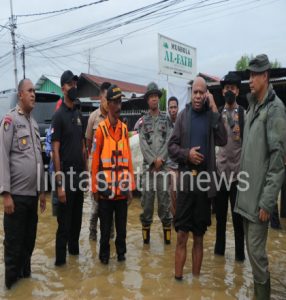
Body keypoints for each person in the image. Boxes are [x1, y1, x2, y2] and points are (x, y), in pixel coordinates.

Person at [235, 54, 286, 299]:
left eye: (254, 75)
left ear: (265, 76)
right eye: (249, 75)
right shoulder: (253, 106)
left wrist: (268, 201)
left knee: (257, 256)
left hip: (259, 201)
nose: (250, 80)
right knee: (252, 255)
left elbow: (278, 161)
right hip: (246, 196)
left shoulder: (275, 110)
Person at [168, 76, 227, 280]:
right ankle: (178, 281)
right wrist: (187, 155)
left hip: (203, 186)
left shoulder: (212, 117)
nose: (198, 96)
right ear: (191, 93)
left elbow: (224, 139)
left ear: (206, 94)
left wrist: (214, 108)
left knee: (199, 237)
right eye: (195, 92)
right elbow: (171, 147)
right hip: (185, 184)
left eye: (202, 92)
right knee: (182, 235)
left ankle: (195, 284)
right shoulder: (183, 116)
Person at [0, 79, 46, 289]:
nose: (33, 94)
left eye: (34, 91)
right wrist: (5, 194)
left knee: (28, 245)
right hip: (15, 198)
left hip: (32, 196)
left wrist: (42, 191)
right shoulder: (10, 120)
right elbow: (2, 156)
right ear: (20, 95)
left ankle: (25, 290)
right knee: (13, 249)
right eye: (30, 91)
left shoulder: (34, 124)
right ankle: (11, 289)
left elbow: (38, 160)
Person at [91, 84, 135, 264]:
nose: (118, 106)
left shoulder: (124, 129)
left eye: (120, 102)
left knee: (122, 231)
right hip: (106, 191)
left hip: (122, 191)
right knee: (105, 230)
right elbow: (95, 161)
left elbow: (129, 160)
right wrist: (94, 188)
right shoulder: (100, 130)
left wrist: (131, 186)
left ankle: (121, 258)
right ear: (108, 104)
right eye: (115, 102)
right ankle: (104, 260)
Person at [51, 70, 87, 266]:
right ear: (63, 88)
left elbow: (82, 146)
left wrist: (86, 173)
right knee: (63, 227)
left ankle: (74, 274)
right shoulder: (58, 116)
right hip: (65, 179)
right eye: (71, 85)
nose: (74, 88)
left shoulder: (79, 114)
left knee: (76, 225)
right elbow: (55, 152)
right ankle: (61, 266)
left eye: (75, 85)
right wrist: (59, 185)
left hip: (79, 179)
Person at [214, 72, 245, 262]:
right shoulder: (217, 114)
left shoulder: (243, 114)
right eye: (226, 88)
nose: (229, 91)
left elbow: (248, 143)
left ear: (237, 91)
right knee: (219, 221)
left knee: (237, 221)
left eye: (232, 88)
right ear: (223, 91)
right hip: (220, 175)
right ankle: (219, 256)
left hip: (238, 176)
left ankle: (240, 258)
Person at [139, 82, 173, 244]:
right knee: (146, 205)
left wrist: (161, 159)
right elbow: (143, 144)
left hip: (163, 169)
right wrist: (153, 160)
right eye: (151, 97)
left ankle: (167, 242)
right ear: (147, 100)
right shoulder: (143, 121)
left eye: (156, 97)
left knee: (165, 205)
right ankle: (146, 243)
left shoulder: (166, 119)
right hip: (148, 170)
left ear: (159, 99)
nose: (154, 99)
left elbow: (170, 140)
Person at [85, 81, 112, 241]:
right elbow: (88, 143)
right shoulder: (93, 117)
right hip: (96, 170)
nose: (108, 101)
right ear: (101, 96)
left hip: (111, 170)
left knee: (111, 206)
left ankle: (110, 236)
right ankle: (92, 234)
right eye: (106, 97)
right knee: (95, 207)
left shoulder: (114, 118)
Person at [166, 96, 179, 217]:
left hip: (180, 166)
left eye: (175, 107)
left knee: (179, 197)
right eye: (171, 107)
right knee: (170, 196)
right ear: (168, 109)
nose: (173, 110)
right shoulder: (165, 124)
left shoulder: (183, 123)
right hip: (169, 166)